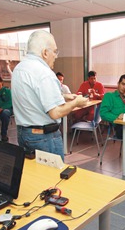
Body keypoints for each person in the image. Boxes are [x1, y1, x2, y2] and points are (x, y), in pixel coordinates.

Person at [11, 30, 88, 160]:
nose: (56, 56)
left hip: (24, 135)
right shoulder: (44, 73)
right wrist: (76, 103)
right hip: (43, 137)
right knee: (53, 178)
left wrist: (65, 96)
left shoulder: (19, 68)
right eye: (55, 51)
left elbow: (33, 96)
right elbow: (55, 113)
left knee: (37, 177)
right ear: (45, 52)